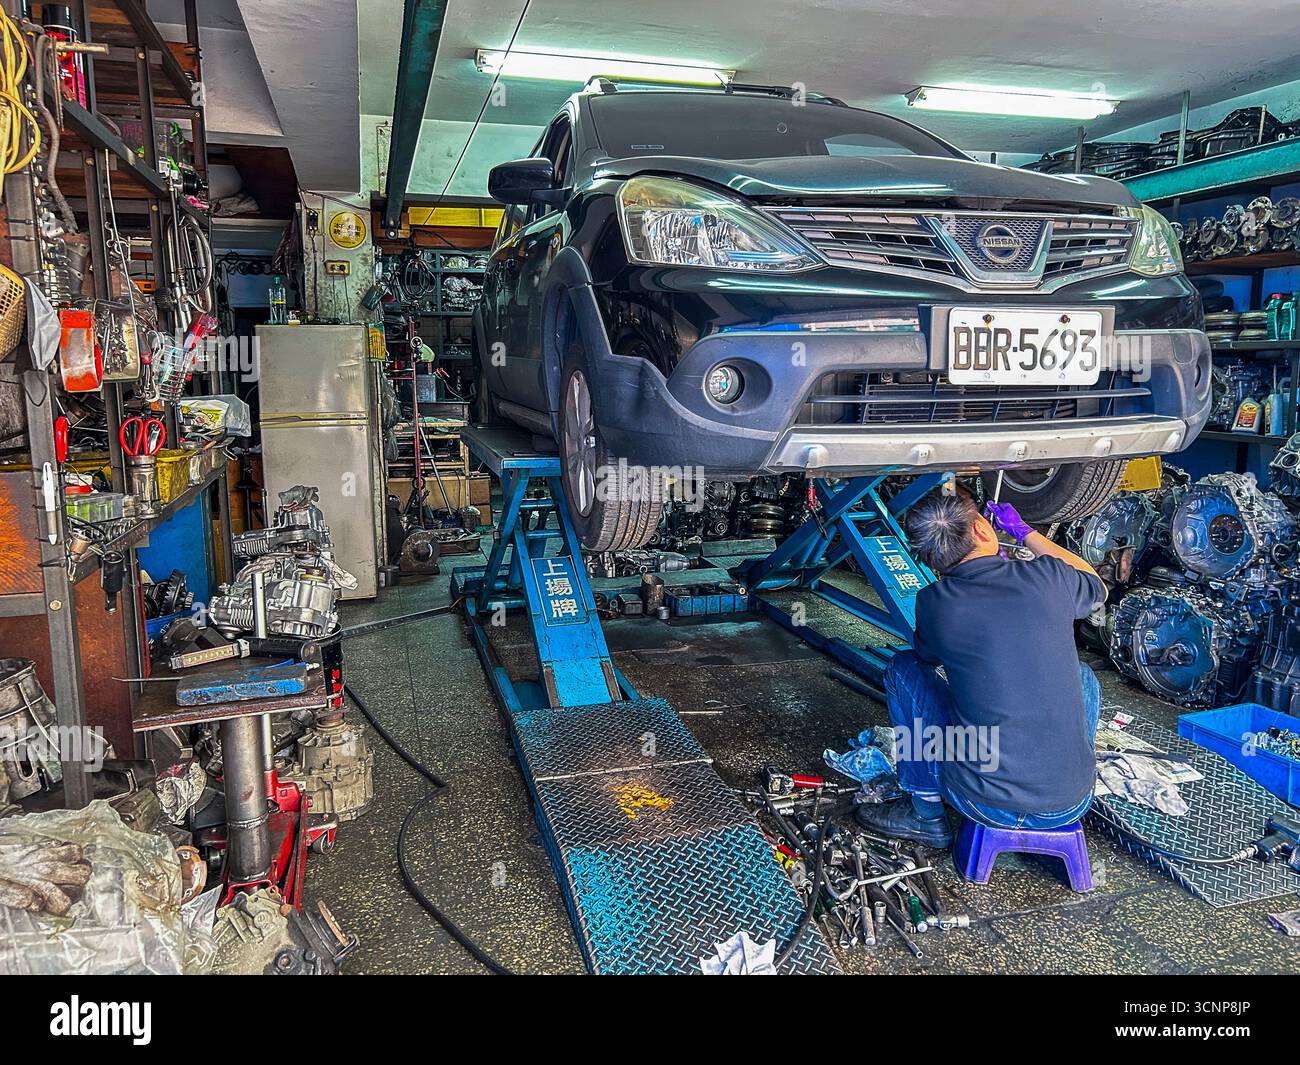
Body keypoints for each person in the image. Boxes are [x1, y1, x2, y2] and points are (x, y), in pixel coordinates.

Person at [855, 486, 1105, 848]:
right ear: (983, 531)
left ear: (930, 561)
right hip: (1071, 804)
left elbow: (927, 659)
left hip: (983, 803)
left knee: (903, 669)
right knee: (1082, 675)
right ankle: (1064, 769)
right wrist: (1024, 532)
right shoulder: (1050, 578)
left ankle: (925, 813)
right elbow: (1096, 584)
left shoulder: (934, 603)